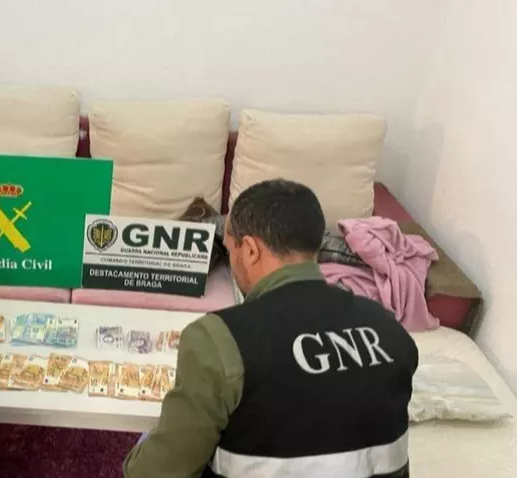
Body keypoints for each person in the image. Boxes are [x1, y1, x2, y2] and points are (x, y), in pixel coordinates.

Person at [123, 179, 418, 478]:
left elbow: (154, 475)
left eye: (230, 250)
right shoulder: (389, 328)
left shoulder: (218, 339)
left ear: (250, 250)